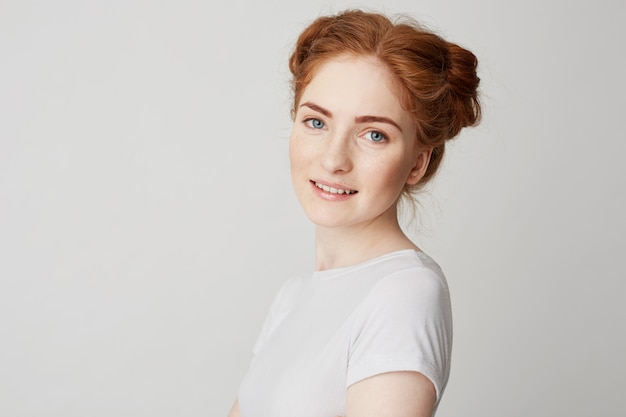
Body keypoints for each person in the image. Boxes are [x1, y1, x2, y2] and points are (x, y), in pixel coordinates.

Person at [228, 9, 480, 417]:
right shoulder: (293, 297)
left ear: (417, 163)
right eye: (316, 122)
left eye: (374, 134)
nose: (333, 159)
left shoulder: (404, 291)